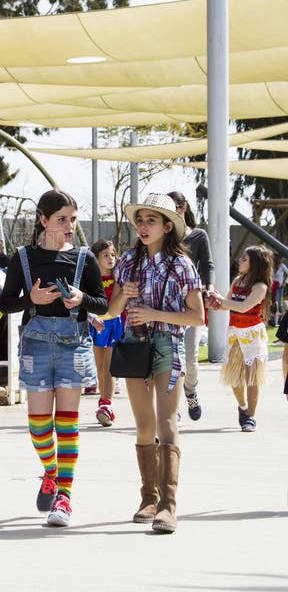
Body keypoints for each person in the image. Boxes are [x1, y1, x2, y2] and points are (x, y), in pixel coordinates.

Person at [0, 189, 107, 528]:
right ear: (43, 220)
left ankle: (64, 496)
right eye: (62, 219)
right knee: (39, 425)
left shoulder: (84, 258)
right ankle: (50, 471)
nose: (69, 226)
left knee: (67, 422)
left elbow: (102, 304)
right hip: (35, 344)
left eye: (73, 219)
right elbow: (5, 304)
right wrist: (28, 298)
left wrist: (82, 299)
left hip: (72, 344)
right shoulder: (23, 258)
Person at [107, 193, 204, 534]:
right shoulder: (129, 261)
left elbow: (197, 316)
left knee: (166, 422)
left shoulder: (181, 264)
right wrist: (124, 294)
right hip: (135, 344)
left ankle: (168, 505)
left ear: (167, 226)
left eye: (151, 221)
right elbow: (114, 311)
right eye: (140, 220)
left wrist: (155, 314)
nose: (143, 227)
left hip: (168, 344)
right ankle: (148, 497)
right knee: (144, 423)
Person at [208, 245, 272, 433]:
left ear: (255, 263)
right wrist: (215, 303)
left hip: (253, 334)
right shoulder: (237, 280)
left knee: (252, 377)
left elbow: (243, 307)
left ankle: (250, 417)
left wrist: (220, 299)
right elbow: (228, 305)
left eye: (245, 258)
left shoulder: (260, 286)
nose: (240, 260)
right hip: (235, 332)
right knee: (234, 377)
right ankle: (242, 407)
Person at [167, 191, 215, 421]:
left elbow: (207, 265)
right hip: (167, 305)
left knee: (191, 359)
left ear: (184, 208)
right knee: (169, 358)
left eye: (175, 206)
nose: (172, 211)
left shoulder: (198, 236)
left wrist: (210, 287)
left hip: (191, 303)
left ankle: (191, 391)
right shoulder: (163, 236)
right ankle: (172, 406)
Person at [88, 239, 124, 427]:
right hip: (97, 323)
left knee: (110, 368)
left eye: (112, 254)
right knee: (101, 368)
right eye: (105, 255)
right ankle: (103, 402)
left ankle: (107, 405)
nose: (111, 258)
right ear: (96, 258)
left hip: (114, 323)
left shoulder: (119, 277)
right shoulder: (91, 278)